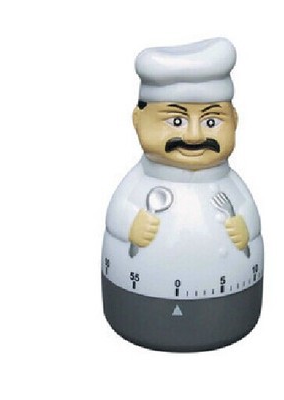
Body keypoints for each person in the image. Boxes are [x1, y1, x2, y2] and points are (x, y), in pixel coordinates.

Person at [102, 38, 264, 351]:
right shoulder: (138, 182)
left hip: (230, 303)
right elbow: (118, 213)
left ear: (235, 120)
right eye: (176, 120)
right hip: (138, 304)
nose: (194, 135)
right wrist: (130, 225)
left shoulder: (232, 183)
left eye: (211, 121)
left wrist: (245, 228)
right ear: (138, 121)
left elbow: (249, 217)